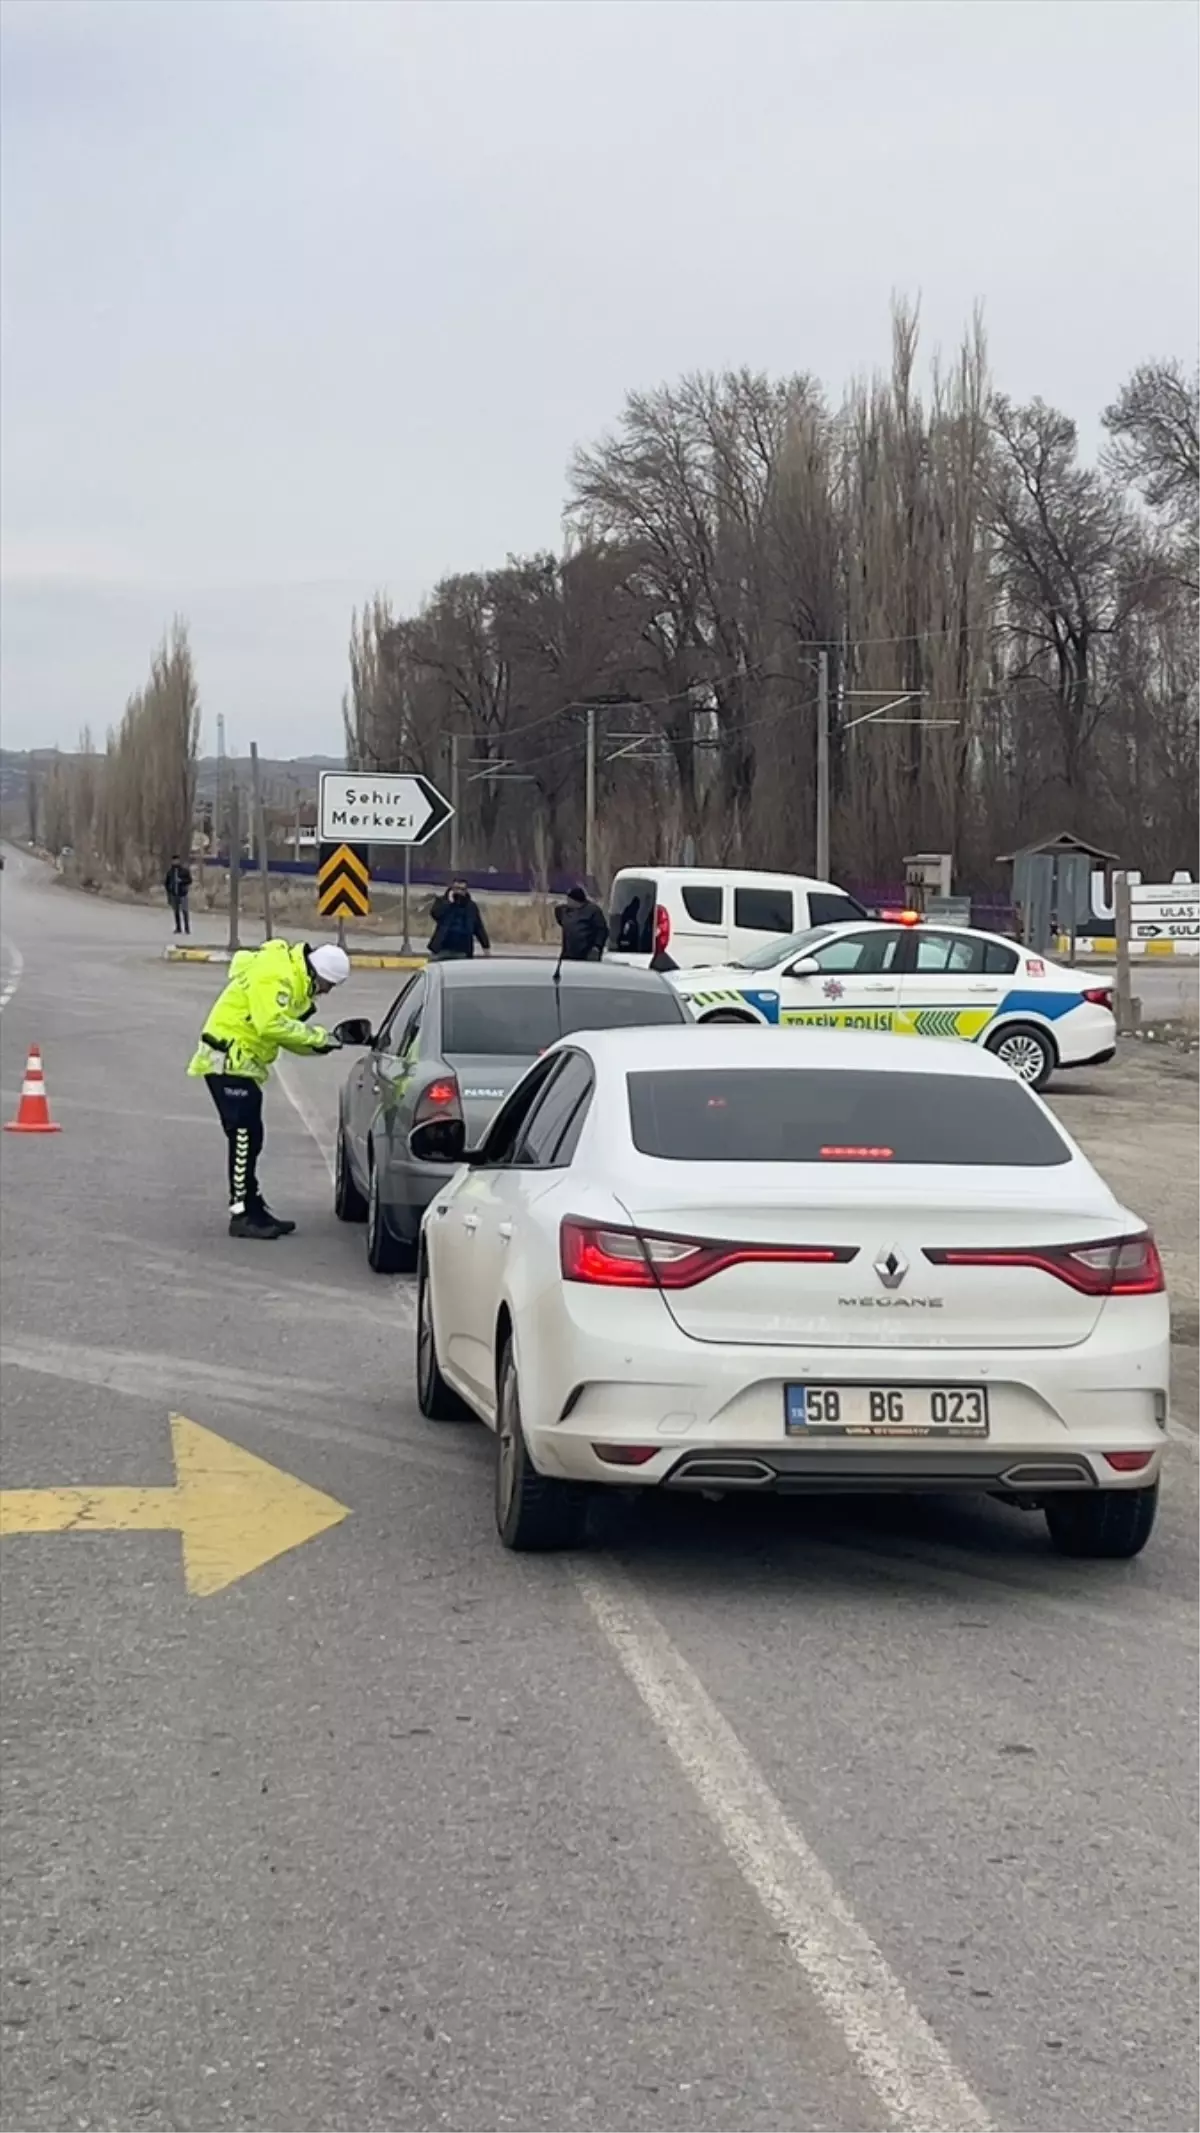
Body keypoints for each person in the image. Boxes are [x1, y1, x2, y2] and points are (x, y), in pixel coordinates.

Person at [187, 939, 351, 1240]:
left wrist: (326, 1043)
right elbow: (271, 1025)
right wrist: (317, 1036)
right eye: (328, 985)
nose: (327, 992)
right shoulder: (277, 976)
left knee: (251, 1137)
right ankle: (241, 1213)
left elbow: (284, 1034)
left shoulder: (291, 977)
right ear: (318, 973)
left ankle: (253, 1206)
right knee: (244, 1136)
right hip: (228, 1059)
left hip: (241, 1062)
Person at [428, 879, 490, 960]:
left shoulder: (471, 906)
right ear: (452, 889)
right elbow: (435, 914)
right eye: (456, 888)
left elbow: (478, 927)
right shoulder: (442, 901)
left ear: (466, 891)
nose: (459, 892)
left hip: (462, 950)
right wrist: (449, 902)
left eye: (462, 889)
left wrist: (485, 946)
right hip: (442, 948)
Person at [554, 883, 608, 961]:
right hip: (568, 953)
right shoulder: (565, 910)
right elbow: (559, 915)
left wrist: (597, 946)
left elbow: (602, 930)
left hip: (587, 952)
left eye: (569, 900)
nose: (567, 902)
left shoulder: (593, 911)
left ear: (576, 901)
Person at [165, 855, 192, 935]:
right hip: (174, 894)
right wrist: (169, 892)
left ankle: (187, 928)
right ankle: (178, 928)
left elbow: (189, 880)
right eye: (174, 861)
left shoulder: (184, 871)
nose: (175, 862)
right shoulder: (170, 872)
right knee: (176, 912)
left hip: (183, 893)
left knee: (184, 911)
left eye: (177, 860)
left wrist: (181, 881)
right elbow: (166, 883)